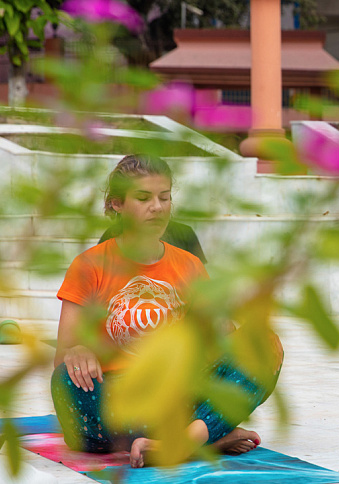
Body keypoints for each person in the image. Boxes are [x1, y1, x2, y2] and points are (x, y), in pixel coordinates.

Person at [51, 154, 282, 468]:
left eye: (165, 197)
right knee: (66, 381)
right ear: (117, 204)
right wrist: (77, 351)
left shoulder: (189, 265)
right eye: (144, 198)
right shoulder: (89, 265)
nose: (157, 207)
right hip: (118, 398)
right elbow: (63, 355)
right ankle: (207, 436)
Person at [99, 220, 207, 264]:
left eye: (163, 198)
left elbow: (201, 287)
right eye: (143, 198)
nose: (156, 206)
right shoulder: (113, 234)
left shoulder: (185, 233)